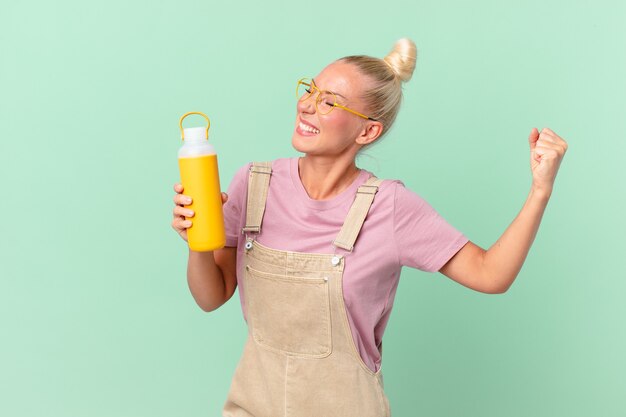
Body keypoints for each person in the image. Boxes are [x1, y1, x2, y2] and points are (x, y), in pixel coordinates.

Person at [171, 38, 568, 417]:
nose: (308, 105)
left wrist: (540, 191)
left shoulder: (389, 207)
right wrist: (196, 242)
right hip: (252, 407)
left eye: (330, 102)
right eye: (311, 90)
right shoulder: (253, 185)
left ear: (367, 131)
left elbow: (490, 274)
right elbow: (212, 296)